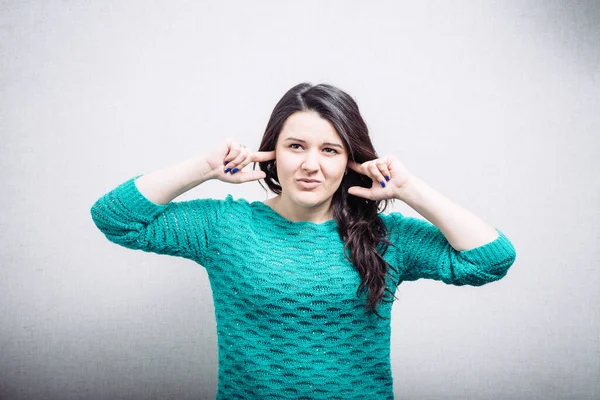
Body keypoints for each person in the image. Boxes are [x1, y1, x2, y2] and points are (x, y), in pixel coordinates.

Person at [90, 82, 516, 399]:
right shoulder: (226, 227)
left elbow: (491, 259)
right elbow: (115, 218)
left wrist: (409, 189)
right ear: (272, 151)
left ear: (351, 160)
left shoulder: (384, 237)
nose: (311, 165)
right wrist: (203, 167)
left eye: (330, 150)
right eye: (296, 146)